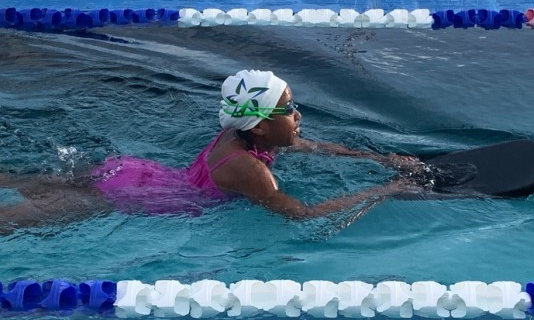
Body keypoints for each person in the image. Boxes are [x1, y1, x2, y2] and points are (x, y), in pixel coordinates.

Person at [1, 69, 427, 232]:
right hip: (133, 195)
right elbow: (304, 217)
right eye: (289, 108)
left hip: (130, 170)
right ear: (260, 125)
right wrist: (384, 190)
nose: (298, 115)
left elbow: (305, 144)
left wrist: (378, 160)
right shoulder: (249, 169)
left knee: (34, 185)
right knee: (21, 220)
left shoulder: (243, 134)